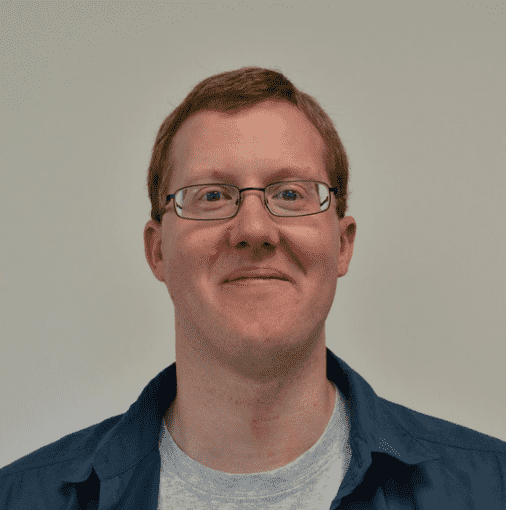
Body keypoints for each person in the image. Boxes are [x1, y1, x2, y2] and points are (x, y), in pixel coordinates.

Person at [1, 67, 504, 509]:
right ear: (158, 251)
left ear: (342, 244)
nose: (255, 229)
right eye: (211, 196)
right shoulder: (19, 499)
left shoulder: (493, 488)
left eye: (290, 194)